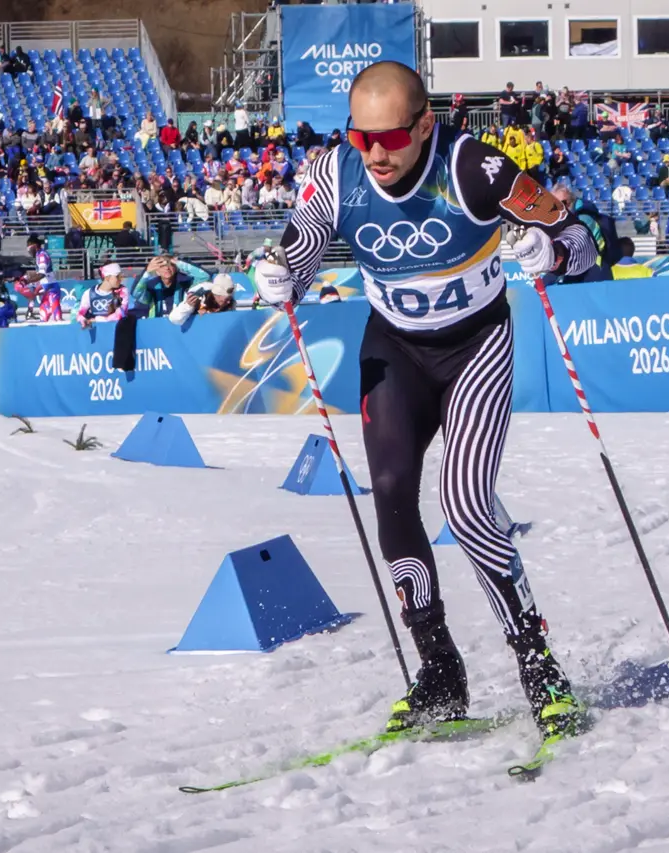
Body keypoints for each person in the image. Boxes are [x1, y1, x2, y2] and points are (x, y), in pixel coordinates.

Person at [252, 61, 596, 745]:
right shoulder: (336, 174)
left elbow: (582, 243)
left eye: (389, 138)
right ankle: (440, 669)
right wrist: (281, 269)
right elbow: (304, 243)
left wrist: (548, 250)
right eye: (361, 138)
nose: (375, 153)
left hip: (475, 348)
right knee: (389, 492)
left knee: (468, 506)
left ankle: (538, 663)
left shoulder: (473, 168)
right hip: (397, 351)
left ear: (425, 125)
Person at [77, 263, 129, 327]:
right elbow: (80, 315)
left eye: (121, 276)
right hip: (98, 332)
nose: (120, 279)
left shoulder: (122, 291)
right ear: (107, 278)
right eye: (117, 276)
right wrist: (83, 320)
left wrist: (96, 320)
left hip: (117, 330)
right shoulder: (89, 293)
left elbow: (119, 315)